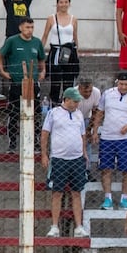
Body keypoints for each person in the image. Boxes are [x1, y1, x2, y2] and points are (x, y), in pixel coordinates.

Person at [91, 71, 127, 210]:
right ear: (117, 82)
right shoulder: (108, 94)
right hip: (107, 137)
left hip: (126, 139)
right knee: (106, 169)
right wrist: (96, 130)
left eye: (126, 84)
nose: (123, 86)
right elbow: (100, 112)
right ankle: (107, 199)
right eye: (121, 84)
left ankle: (124, 199)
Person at [40, 87, 89, 238]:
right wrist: (44, 154)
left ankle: (79, 227)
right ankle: (54, 226)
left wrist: (84, 153)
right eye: (74, 101)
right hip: (59, 159)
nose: (76, 104)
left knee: (76, 193)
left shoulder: (79, 114)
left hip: (77, 159)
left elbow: (82, 135)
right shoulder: (53, 113)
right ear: (66, 99)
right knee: (57, 193)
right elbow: (45, 134)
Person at [0, 17, 46, 152]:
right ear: (20, 28)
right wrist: (2, 71)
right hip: (16, 83)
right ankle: (12, 144)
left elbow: (41, 59)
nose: (29, 30)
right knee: (13, 112)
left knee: (36, 113)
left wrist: (43, 71)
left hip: (33, 82)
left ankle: (35, 142)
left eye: (31, 28)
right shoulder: (12, 41)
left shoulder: (37, 42)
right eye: (27, 27)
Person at [41, 0, 80, 104]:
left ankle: (67, 105)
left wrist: (77, 54)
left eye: (66, 2)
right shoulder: (51, 18)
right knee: (55, 81)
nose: (63, 4)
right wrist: (39, 52)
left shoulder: (74, 19)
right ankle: (54, 105)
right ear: (57, 4)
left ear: (69, 3)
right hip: (56, 52)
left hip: (69, 52)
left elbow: (75, 37)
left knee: (69, 81)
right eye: (61, 2)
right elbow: (45, 35)